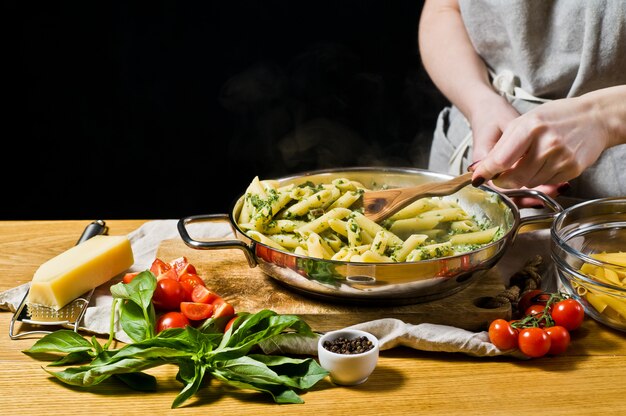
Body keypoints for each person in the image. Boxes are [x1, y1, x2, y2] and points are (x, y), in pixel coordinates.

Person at [418, 0, 626, 205]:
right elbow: (444, 8)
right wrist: (480, 103)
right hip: (471, 143)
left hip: (612, 194)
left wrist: (604, 118)